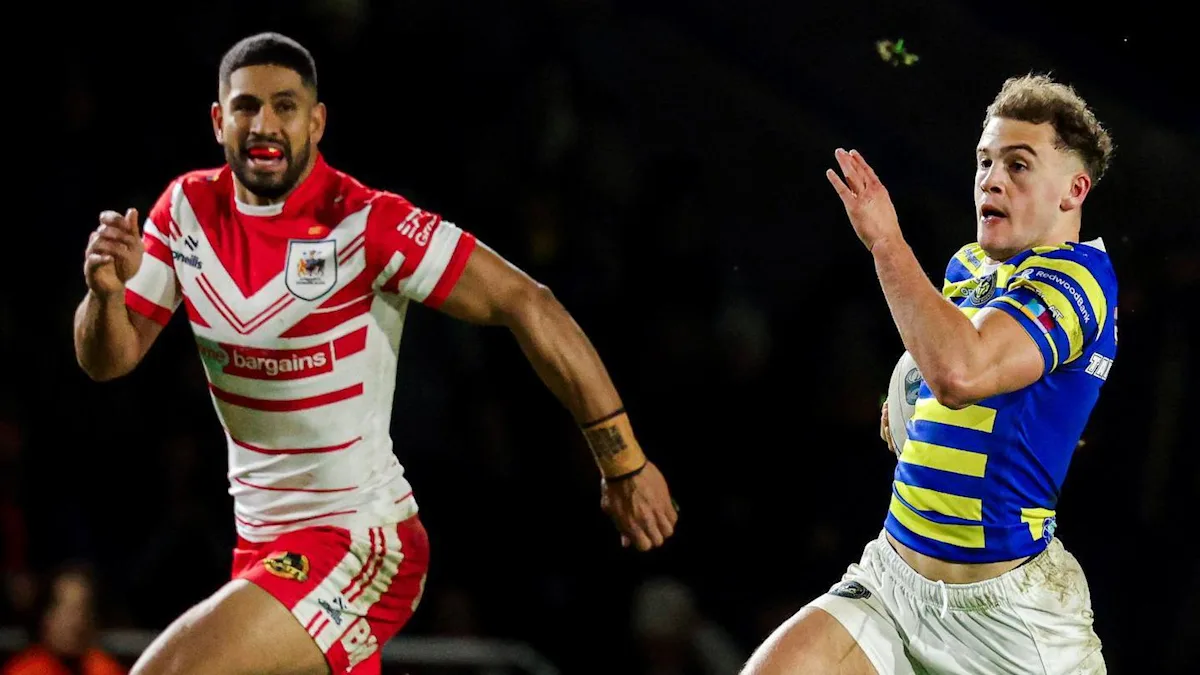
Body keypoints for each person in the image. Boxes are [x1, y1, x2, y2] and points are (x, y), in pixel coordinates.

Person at [72, 32, 678, 675]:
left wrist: (623, 462)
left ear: (316, 122)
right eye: (247, 107)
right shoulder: (186, 210)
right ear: (220, 120)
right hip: (263, 552)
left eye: (285, 106)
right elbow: (108, 360)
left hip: (360, 543)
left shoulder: (366, 221)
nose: (265, 124)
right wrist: (104, 295)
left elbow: (527, 302)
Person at [743, 74, 1116, 674]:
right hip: (892, 581)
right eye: (985, 161)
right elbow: (939, 369)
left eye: (1018, 165)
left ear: (1073, 191)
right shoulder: (968, 267)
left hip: (1009, 622)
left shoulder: (1080, 282)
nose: (991, 179)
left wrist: (886, 243)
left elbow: (960, 372)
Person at [1, 562, 126, 675]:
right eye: (67, 611)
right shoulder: (23, 671)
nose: (76, 622)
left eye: (83, 610)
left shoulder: (105, 669)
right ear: (46, 615)